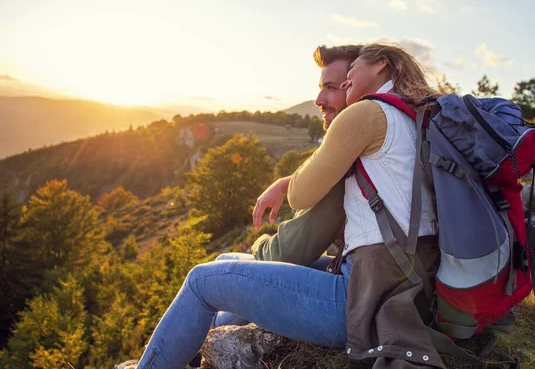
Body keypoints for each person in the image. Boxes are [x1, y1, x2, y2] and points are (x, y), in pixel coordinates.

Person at [136, 43, 444, 369]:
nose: (345, 85)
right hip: (406, 290)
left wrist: (286, 184)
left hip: (366, 303)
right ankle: (204, 350)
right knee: (226, 261)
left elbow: (301, 198)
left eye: (345, 80)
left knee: (201, 281)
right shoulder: (412, 118)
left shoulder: (367, 113)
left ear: (381, 64)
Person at [212, 45, 360, 328]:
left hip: (351, 297)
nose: (318, 99)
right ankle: (207, 345)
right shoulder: (364, 143)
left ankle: (204, 347)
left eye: (330, 87)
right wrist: (287, 180)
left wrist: (258, 243)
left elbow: (289, 252)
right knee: (223, 263)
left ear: (354, 88)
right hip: (351, 277)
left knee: (209, 280)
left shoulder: (345, 159)